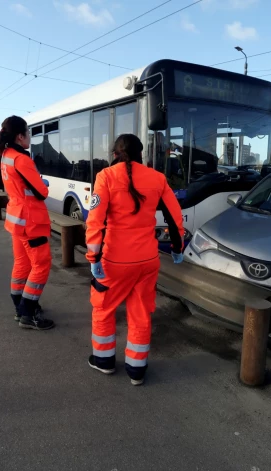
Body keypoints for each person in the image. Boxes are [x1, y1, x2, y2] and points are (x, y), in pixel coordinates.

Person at [86, 133, 185, 386]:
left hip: (115, 261)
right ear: (142, 153)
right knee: (141, 313)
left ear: (115, 153)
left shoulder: (105, 177)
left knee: (104, 308)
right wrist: (177, 247)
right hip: (147, 260)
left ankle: (104, 360)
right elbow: (174, 218)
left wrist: (93, 256)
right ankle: (136, 370)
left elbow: (95, 220)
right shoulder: (158, 178)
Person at [0, 116, 55, 330]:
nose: (29, 136)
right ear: (20, 136)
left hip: (17, 219)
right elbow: (42, 191)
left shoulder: (5, 156)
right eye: (28, 133)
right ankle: (29, 315)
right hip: (31, 221)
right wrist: (42, 183)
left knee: (22, 263)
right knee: (41, 265)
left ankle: (20, 308)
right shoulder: (22, 160)